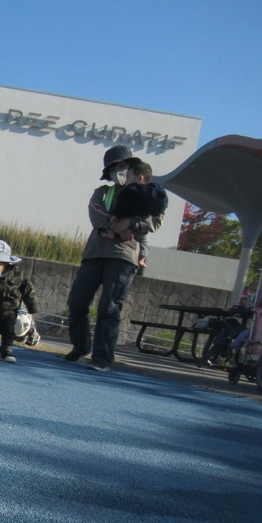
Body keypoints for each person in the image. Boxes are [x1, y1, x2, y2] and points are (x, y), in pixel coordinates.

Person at [65, 145, 165, 371]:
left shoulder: (147, 193)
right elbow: (95, 211)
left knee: (110, 306)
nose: (120, 172)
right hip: (94, 253)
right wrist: (114, 227)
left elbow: (155, 220)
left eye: (124, 167)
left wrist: (129, 224)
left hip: (124, 255)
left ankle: (102, 357)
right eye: (115, 169)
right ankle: (80, 346)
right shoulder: (102, 192)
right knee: (77, 301)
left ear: (132, 169)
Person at [100, 160, 168, 271]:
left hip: (126, 252)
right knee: (144, 240)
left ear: (139, 178)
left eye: (128, 176)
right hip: (110, 249)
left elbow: (156, 220)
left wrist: (124, 221)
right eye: (113, 169)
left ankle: (112, 234)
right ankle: (142, 257)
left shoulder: (130, 190)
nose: (124, 178)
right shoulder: (154, 192)